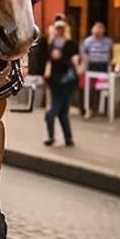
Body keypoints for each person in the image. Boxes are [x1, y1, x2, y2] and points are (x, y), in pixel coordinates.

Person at [43, 17, 80, 147]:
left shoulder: (70, 44)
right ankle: (65, 138)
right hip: (55, 80)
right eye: (57, 28)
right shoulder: (51, 44)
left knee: (58, 111)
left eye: (61, 29)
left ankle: (58, 137)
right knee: (61, 111)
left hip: (67, 80)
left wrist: (71, 60)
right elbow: (47, 60)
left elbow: (75, 57)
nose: (59, 31)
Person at [80, 21, 114, 117]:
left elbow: (111, 55)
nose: (98, 31)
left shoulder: (108, 41)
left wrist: (110, 65)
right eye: (96, 29)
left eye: (100, 29)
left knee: (102, 87)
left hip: (103, 66)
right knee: (90, 89)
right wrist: (85, 63)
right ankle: (89, 109)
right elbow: (83, 53)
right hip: (92, 65)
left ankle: (101, 109)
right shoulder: (88, 41)